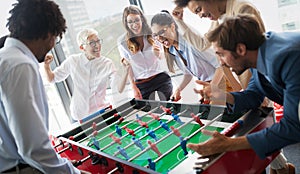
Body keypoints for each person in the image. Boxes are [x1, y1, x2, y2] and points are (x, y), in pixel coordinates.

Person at [189, 14, 298, 174]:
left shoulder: (287, 58)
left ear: (240, 49)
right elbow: (254, 95)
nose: (221, 62)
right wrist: (223, 96)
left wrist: (228, 144)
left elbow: (293, 127)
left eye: (221, 54)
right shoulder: (261, 52)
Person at [0, 0, 88, 173]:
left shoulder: (5, 57)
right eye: (55, 38)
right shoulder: (20, 65)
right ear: (48, 34)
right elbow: (34, 149)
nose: (52, 45)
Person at [172, 0, 266, 91]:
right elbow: (202, 44)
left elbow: (253, 51)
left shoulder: (242, 8)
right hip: (247, 86)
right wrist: (179, 21)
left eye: (199, 9)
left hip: (258, 82)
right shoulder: (218, 19)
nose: (200, 16)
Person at [44, 28, 128, 121]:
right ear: (82, 47)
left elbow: (118, 89)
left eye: (98, 41)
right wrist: (46, 65)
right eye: (92, 43)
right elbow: (52, 78)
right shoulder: (73, 61)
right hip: (81, 115)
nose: (97, 46)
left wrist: (126, 70)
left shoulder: (107, 63)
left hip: (102, 112)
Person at [150, 11, 219, 102]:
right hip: (207, 87)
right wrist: (178, 89)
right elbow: (188, 73)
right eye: (155, 35)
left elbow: (220, 65)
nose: (159, 38)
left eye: (162, 32)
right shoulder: (173, 49)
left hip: (220, 83)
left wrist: (212, 86)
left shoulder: (191, 43)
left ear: (172, 27)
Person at [117, 5, 173, 101]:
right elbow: (128, 67)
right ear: (126, 23)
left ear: (142, 19)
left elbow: (163, 57)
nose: (134, 25)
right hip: (141, 84)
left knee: (167, 108)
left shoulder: (153, 34)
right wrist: (133, 87)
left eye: (136, 20)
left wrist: (158, 54)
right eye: (130, 22)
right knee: (151, 112)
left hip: (161, 79)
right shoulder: (122, 42)